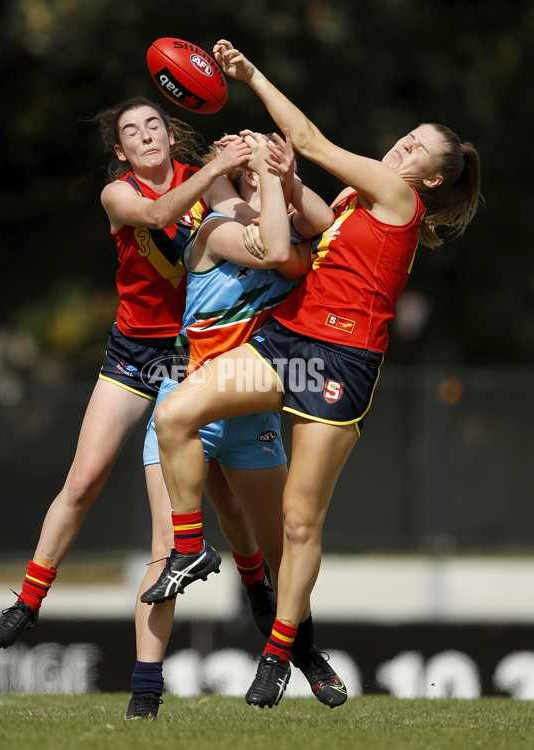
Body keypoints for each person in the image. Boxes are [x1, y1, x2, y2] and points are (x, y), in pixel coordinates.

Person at [141, 41, 482, 709]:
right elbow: (324, 228)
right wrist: (286, 180)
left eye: (415, 149)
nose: (400, 149)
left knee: (299, 523)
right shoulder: (367, 194)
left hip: (344, 364)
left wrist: (251, 77)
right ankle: (189, 548)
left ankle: (279, 654)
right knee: (176, 413)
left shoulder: (400, 197)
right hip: (287, 341)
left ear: (432, 181)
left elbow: (310, 135)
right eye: (405, 139)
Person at [0, 96, 274, 668]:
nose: (145, 136)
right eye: (132, 132)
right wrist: (219, 169)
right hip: (134, 352)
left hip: (195, 357)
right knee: (86, 477)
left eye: (154, 126)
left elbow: (258, 236)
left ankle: (257, 585)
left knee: (225, 500)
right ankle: (29, 598)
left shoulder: (209, 181)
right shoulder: (118, 193)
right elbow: (161, 216)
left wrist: (258, 172)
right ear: (121, 151)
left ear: (170, 135)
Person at [131, 130, 347, 719]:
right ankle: (144, 695)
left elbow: (317, 224)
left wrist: (283, 174)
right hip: (190, 400)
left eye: (265, 166)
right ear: (231, 179)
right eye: (247, 168)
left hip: (250, 413)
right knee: (164, 553)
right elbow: (281, 253)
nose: (259, 173)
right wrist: (246, 174)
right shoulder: (215, 229)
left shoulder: (288, 219)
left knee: (286, 555)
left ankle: (303, 650)